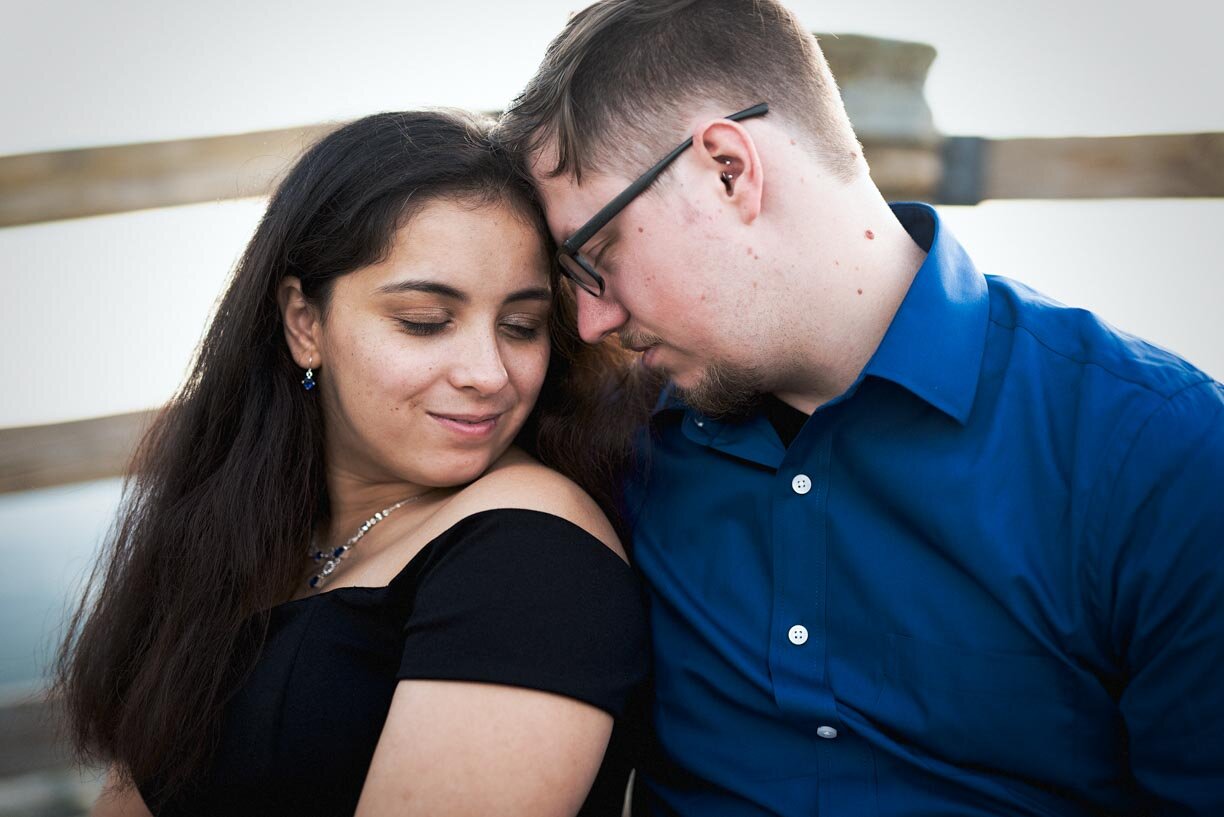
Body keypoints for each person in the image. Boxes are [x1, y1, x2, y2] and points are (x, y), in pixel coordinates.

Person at [497, 1, 1224, 814]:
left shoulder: (1164, 451)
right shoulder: (610, 432)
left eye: (595, 258)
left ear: (729, 169)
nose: (592, 319)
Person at [54, 109, 653, 817]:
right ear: (306, 323)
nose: (488, 372)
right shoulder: (243, 531)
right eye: (425, 321)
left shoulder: (530, 555)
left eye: (521, 326)